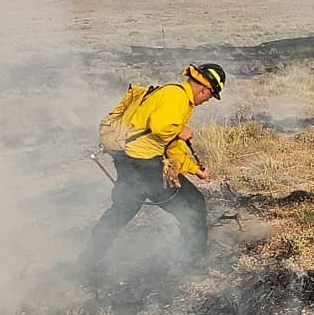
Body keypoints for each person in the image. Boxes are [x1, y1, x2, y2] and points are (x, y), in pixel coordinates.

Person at [81, 63, 226, 277]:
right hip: (144, 164)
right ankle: (196, 264)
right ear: (205, 89)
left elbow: (171, 147)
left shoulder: (173, 94)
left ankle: (87, 260)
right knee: (193, 204)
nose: (206, 102)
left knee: (122, 210)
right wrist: (181, 130)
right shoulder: (177, 97)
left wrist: (195, 169)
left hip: (127, 160)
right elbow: (162, 128)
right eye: (210, 96)